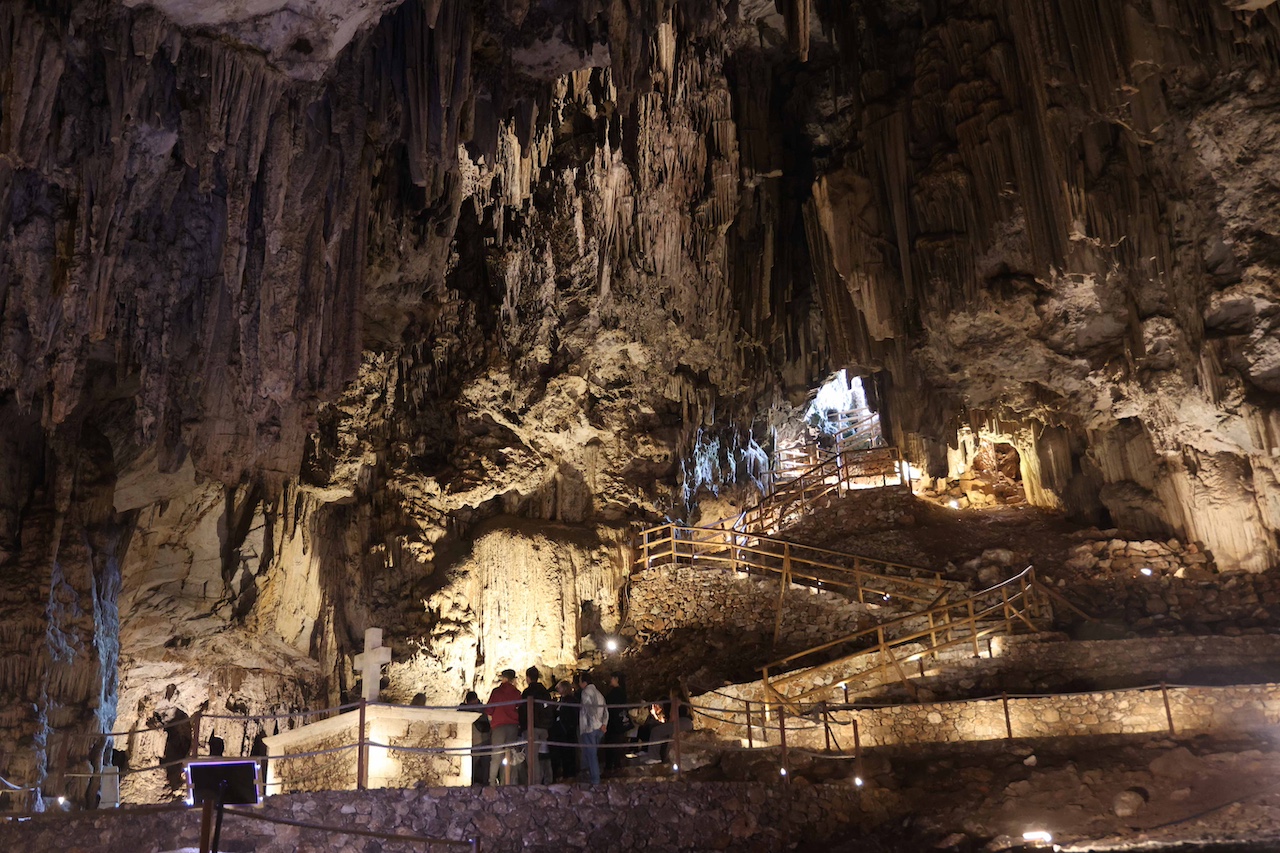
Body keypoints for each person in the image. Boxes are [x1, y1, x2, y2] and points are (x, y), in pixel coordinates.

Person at [485, 669, 522, 785]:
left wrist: (491, 724)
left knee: (496, 755)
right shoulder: (516, 692)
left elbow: (489, 710)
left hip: (498, 726)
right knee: (510, 754)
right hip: (512, 726)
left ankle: (491, 782)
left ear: (504, 678)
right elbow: (520, 708)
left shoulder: (496, 692)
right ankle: (507, 781)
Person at [520, 667, 554, 784]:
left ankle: (535, 782)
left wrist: (522, 727)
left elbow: (523, 711)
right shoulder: (545, 692)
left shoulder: (527, 692)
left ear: (528, 678)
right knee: (543, 755)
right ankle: (548, 779)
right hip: (544, 728)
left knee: (532, 757)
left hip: (532, 728)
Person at [577, 672, 607, 784]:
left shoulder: (586, 692)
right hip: (599, 728)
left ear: (584, 682)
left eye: (580, 681)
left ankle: (595, 780)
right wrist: (604, 724)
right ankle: (586, 776)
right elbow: (605, 711)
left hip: (589, 728)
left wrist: (592, 723)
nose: (579, 684)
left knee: (591, 754)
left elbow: (589, 709)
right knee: (589, 753)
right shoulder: (599, 694)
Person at [549, 679, 578, 782]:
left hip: (567, 731)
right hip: (561, 731)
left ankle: (570, 775)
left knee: (568, 753)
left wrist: (568, 726)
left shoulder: (570, 700)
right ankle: (564, 774)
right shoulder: (562, 700)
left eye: (560, 688)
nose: (558, 690)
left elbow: (572, 715)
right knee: (563, 753)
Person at [459, 690, 490, 785]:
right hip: (476, 741)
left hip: (482, 740)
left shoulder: (483, 709)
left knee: (485, 763)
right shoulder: (481, 709)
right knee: (473, 765)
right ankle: (473, 783)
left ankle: (484, 783)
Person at [603, 672, 629, 773]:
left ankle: (610, 767)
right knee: (617, 744)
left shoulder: (615, 693)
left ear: (616, 679)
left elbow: (608, 703)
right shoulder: (622, 692)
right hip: (619, 722)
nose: (610, 680)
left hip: (613, 722)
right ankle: (617, 766)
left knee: (611, 744)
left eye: (612, 678)